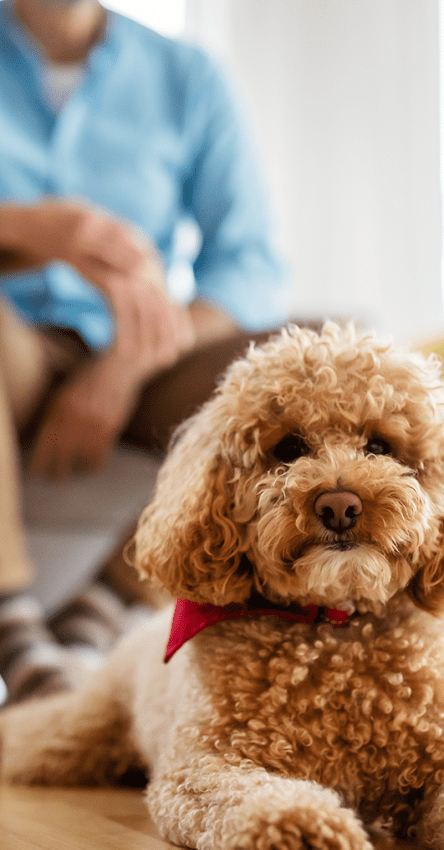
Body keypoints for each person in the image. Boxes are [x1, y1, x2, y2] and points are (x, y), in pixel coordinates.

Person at [0, 0, 287, 703]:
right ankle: (12, 633)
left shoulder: (187, 76)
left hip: (145, 349)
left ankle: (99, 615)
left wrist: (131, 360)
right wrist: (30, 228)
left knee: (286, 378)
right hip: (13, 348)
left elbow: (248, 266)